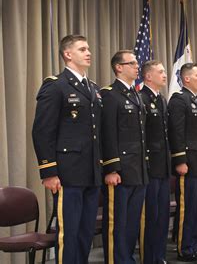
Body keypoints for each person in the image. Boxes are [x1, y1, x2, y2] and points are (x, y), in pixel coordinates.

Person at [32, 35, 102, 264]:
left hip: (91, 172)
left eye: (89, 48)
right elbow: (42, 131)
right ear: (68, 54)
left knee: (85, 232)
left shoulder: (92, 88)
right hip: (67, 173)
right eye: (83, 49)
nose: (89, 52)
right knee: (68, 233)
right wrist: (49, 171)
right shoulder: (56, 85)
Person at [100, 50, 148, 263]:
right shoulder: (110, 94)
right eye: (132, 63)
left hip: (138, 168)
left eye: (137, 63)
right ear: (119, 67)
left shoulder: (135, 94)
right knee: (117, 222)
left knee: (131, 222)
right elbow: (107, 133)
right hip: (121, 170)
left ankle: (127, 258)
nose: (137, 67)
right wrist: (111, 168)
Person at [168, 63, 197, 262]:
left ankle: (194, 244)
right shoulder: (179, 100)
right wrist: (179, 160)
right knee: (187, 207)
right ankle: (184, 248)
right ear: (187, 79)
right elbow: (176, 132)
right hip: (189, 162)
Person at [140, 60, 171, 264]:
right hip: (149, 166)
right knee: (150, 217)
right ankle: (149, 258)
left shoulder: (161, 100)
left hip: (163, 166)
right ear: (148, 76)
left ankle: (159, 256)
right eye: (160, 72)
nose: (165, 75)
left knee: (162, 217)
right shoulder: (141, 98)